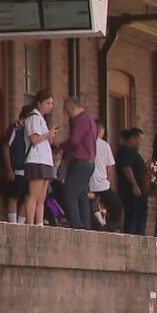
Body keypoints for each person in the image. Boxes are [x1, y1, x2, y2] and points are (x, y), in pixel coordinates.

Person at [59, 97, 97, 229]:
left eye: (68, 112)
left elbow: (74, 140)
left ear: (72, 108)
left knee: (69, 193)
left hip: (80, 162)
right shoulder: (91, 120)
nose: (68, 115)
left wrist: (61, 145)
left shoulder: (81, 120)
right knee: (82, 195)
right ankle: (86, 225)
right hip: (89, 162)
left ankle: (76, 224)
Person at [23, 91, 56, 226]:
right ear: (39, 103)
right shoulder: (33, 117)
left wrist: (50, 137)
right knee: (34, 195)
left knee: (42, 197)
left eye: (51, 103)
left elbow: (45, 141)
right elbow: (34, 138)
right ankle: (30, 222)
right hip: (35, 159)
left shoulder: (42, 119)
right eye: (47, 103)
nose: (50, 106)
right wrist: (47, 135)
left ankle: (39, 222)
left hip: (45, 160)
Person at [0, 105, 35, 224]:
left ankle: (20, 224)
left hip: (29, 170)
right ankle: (12, 223)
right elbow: (6, 147)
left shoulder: (32, 130)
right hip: (17, 168)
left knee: (27, 198)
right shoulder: (15, 128)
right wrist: (9, 169)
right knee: (14, 196)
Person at [90, 120, 122, 232]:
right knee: (116, 207)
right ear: (100, 130)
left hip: (87, 184)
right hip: (102, 184)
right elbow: (110, 168)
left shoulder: (84, 142)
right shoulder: (104, 145)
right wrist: (111, 184)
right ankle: (110, 228)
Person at [117, 128, 147, 235]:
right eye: (139, 140)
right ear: (132, 138)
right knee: (132, 219)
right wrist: (134, 184)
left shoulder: (134, 153)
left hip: (140, 193)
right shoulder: (124, 151)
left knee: (140, 219)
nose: (140, 143)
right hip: (130, 192)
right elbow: (126, 168)